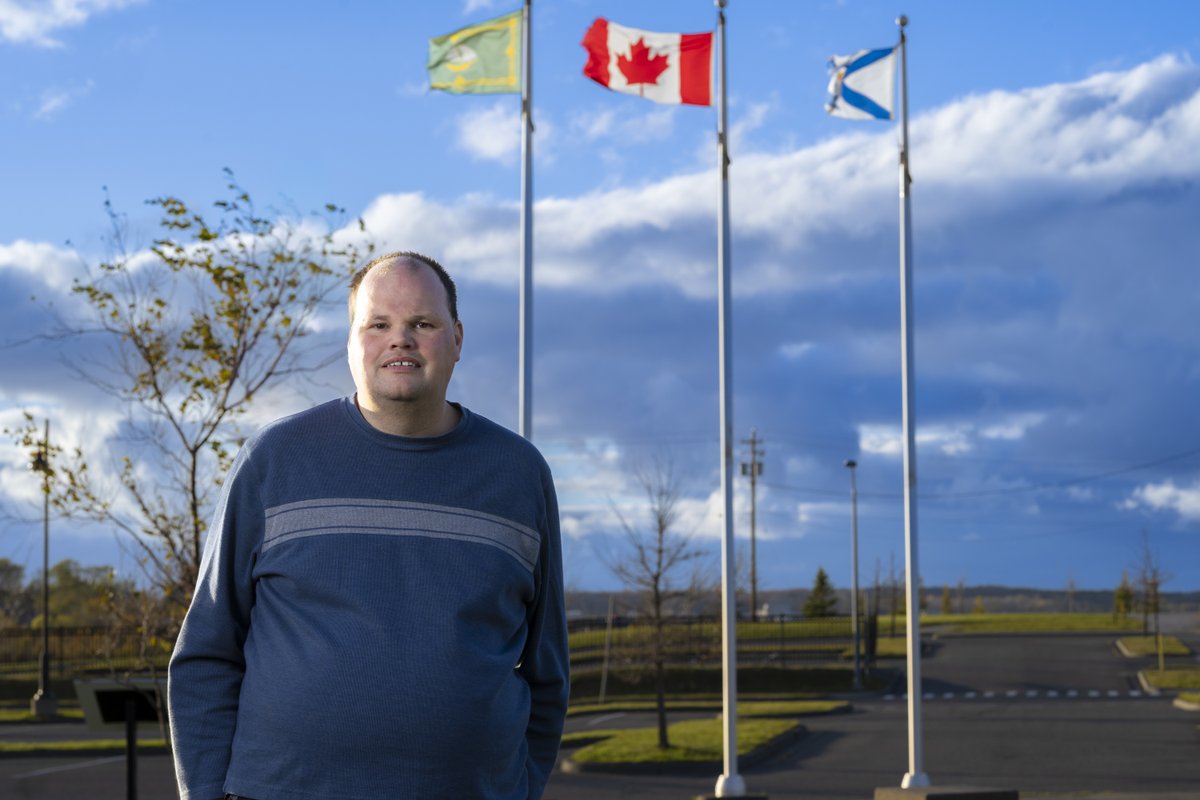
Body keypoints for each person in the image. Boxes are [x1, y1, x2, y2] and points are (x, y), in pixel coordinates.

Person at [168, 252, 569, 800]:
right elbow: (207, 653)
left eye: (422, 323)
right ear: (351, 342)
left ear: (456, 338)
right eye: (378, 324)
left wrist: (519, 788)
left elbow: (548, 668)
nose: (400, 339)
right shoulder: (274, 459)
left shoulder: (518, 473)